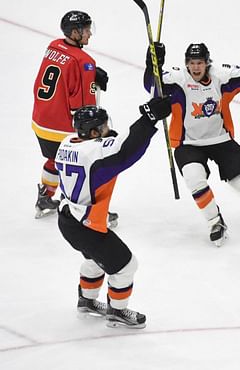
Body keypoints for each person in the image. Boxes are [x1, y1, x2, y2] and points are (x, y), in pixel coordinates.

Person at [144, 32, 240, 245]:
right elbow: (152, 86)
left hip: (221, 140)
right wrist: (152, 63)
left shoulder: (220, 77)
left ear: (207, 63)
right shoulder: (178, 81)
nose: (196, 67)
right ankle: (214, 221)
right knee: (194, 178)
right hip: (188, 143)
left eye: (200, 63)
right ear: (186, 64)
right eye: (192, 63)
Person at [57, 97, 172, 328]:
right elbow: (126, 151)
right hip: (87, 225)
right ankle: (117, 311)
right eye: (103, 127)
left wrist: (108, 135)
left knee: (93, 258)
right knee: (126, 266)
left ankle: (86, 301)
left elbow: (106, 143)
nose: (107, 129)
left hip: (68, 219)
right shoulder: (95, 153)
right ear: (92, 133)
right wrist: (148, 119)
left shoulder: (67, 143)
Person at [31, 11, 114, 225]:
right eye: (86, 30)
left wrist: (90, 74)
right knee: (86, 163)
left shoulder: (54, 46)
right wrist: (91, 81)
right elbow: (84, 108)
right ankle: (89, 211)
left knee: (54, 158)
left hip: (40, 121)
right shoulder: (85, 61)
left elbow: (65, 70)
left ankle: (45, 197)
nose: (89, 34)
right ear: (75, 32)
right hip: (60, 127)